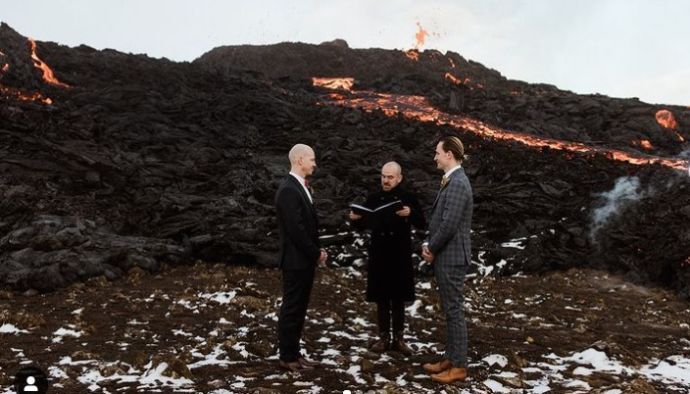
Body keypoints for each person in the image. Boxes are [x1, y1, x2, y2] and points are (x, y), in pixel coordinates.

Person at [349, 161, 426, 355]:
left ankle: (398, 339)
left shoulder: (408, 198)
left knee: (398, 298)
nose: (385, 180)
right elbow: (363, 224)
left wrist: (410, 213)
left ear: (399, 178)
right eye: (383, 176)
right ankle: (383, 337)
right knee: (382, 297)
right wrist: (355, 219)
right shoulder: (374, 198)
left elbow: (422, 222)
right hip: (380, 254)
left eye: (390, 177)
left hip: (399, 254)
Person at [421, 136, 473, 384]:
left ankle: (459, 366)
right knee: (450, 309)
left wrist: (431, 247)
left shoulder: (458, 183)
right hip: (447, 255)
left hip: (451, 257)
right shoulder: (452, 180)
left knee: (454, 310)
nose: (435, 157)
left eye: (437, 152)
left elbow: (449, 224)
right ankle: (451, 358)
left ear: (449, 154)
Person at [275, 143, 328, 372]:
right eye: (312, 159)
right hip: (296, 261)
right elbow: (296, 230)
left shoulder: (300, 187)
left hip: (303, 260)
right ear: (299, 160)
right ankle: (287, 356)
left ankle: (294, 353)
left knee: (299, 307)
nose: (315, 164)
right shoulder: (289, 189)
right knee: (292, 307)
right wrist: (316, 253)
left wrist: (316, 252)